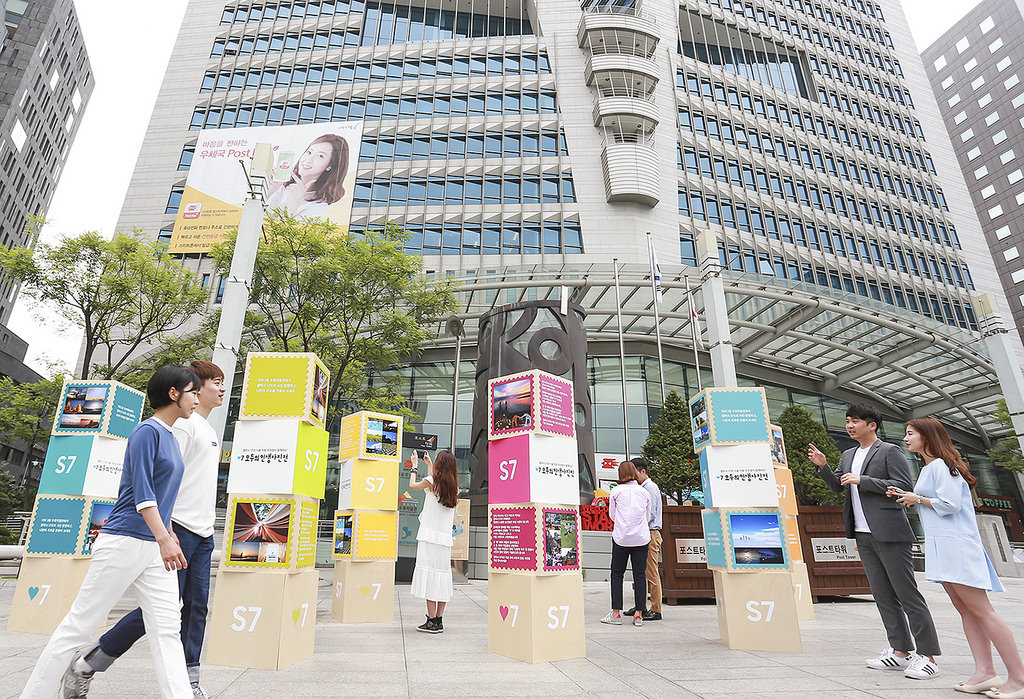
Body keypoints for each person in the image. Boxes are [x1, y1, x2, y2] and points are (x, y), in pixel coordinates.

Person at [21, 366, 200, 699]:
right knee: (79, 626)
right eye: (193, 391)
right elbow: (143, 495)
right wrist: (165, 538)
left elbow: (164, 498)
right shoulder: (148, 432)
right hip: (124, 541)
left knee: (166, 630)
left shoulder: (174, 439)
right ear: (174, 393)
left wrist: (169, 533)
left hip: (153, 546)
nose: (197, 398)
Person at [63, 361, 225, 698]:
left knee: (195, 608)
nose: (221, 389)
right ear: (194, 386)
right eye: (215, 382)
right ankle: (88, 661)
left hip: (202, 531)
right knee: (161, 611)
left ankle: (190, 680)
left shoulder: (208, 430)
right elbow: (161, 478)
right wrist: (166, 530)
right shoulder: (182, 426)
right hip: (176, 529)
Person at [888, 418, 1024, 698]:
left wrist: (917, 499)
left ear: (927, 437)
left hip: (957, 547)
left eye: (910, 434)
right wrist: (913, 497)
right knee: (967, 610)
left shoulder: (941, 466)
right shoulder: (931, 467)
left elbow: (949, 505)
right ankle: (985, 673)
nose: (905, 439)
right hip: (947, 547)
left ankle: (1019, 679)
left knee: (981, 610)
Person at [808, 403, 940, 680]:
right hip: (862, 532)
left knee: (907, 595)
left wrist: (863, 480)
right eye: (847, 421)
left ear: (872, 425)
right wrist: (824, 467)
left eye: (855, 421)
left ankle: (927, 656)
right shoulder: (848, 454)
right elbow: (838, 486)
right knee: (882, 595)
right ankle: (900, 652)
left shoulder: (890, 450)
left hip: (890, 531)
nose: (849, 425)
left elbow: (903, 486)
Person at [409, 450, 460, 634]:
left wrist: (415, 465)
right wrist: (429, 464)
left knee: (430, 577)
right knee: (441, 576)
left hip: (429, 538)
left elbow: (413, 485)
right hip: (444, 541)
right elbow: (434, 481)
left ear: (439, 465)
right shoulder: (454, 489)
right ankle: (438, 619)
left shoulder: (432, 483)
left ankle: (431, 621)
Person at [601, 461, 651, 628]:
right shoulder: (644, 492)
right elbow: (647, 516)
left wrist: (624, 525)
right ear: (635, 473)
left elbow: (613, 515)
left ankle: (616, 613)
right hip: (641, 538)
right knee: (640, 575)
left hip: (621, 538)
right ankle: (639, 615)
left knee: (617, 574)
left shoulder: (615, 491)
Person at [265, 133, 349, 218]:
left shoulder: (321, 205)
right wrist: (270, 190)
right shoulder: (282, 184)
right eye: (309, 152)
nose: (308, 160)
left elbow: (285, 230)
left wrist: (294, 203)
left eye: (320, 156)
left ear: (330, 165)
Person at [626, 457, 662, 621]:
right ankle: (641, 606)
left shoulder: (651, 489)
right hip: (643, 534)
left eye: (635, 474)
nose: (632, 478)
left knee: (651, 573)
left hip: (650, 533)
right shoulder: (642, 488)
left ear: (643, 471)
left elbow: (651, 515)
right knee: (640, 572)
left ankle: (656, 609)